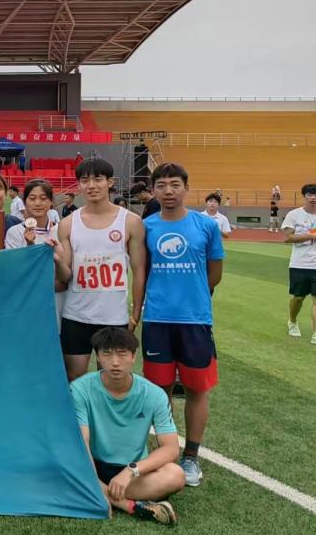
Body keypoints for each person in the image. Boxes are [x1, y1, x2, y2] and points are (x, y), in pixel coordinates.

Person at [134, 162, 223, 487]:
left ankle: (191, 457)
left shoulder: (206, 226)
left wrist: (193, 298)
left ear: (186, 187)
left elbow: (215, 273)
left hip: (194, 321)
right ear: (153, 190)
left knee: (197, 389)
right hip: (157, 319)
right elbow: (141, 271)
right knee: (160, 391)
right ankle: (165, 453)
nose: (168, 191)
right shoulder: (146, 227)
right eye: (161, 185)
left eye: (175, 185)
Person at [71, 327, 185, 526]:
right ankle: (128, 505)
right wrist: (92, 478)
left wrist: (131, 470)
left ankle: (97, 493)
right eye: (107, 354)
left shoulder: (154, 394)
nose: (115, 362)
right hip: (91, 467)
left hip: (132, 473)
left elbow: (171, 448)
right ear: (97, 357)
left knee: (176, 475)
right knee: (61, 466)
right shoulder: (80, 389)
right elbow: (82, 442)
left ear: (133, 356)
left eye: (122, 354)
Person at [56, 158, 146, 382]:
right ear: (79, 185)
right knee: (74, 377)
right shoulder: (67, 224)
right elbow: (66, 275)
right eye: (85, 180)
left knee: (111, 377)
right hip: (76, 315)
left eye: (97, 179)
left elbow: (139, 270)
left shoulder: (131, 222)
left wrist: (135, 315)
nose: (91, 185)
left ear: (110, 182)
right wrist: (57, 262)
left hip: (113, 316)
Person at [4, 179, 68, 328]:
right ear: (25, 202)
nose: (38, 203)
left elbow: (66, 278)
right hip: (27, 302)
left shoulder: (61, 231)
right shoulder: (15, 232)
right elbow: (17, 274)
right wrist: (30, 247)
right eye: (32, 198)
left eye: (43, 198)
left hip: (58, 303)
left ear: (51, 202)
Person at [282, 183, 316, 341]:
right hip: (300, 263)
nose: (313, 197)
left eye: (315, 194)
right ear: (304, 196)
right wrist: (310, 236)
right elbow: (287, 237)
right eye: (310, 194)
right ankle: (292, 321)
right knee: (298, 298)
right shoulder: (294, 215)